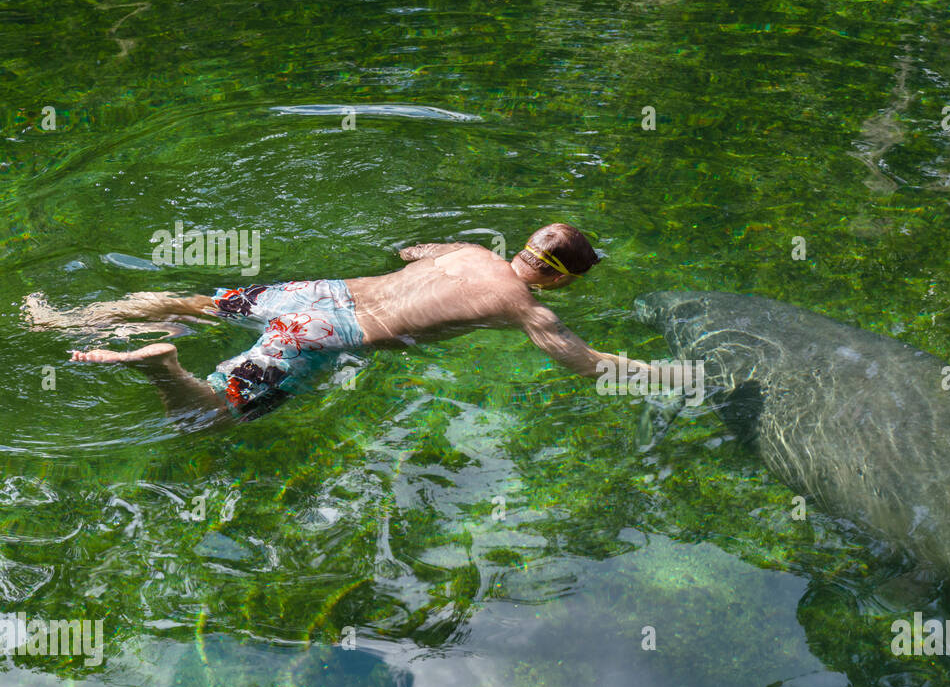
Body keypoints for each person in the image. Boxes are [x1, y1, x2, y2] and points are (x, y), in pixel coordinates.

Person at [24, 223, 679, 426]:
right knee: (215, 419)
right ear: (560, 277)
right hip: (328, 337)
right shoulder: (527, 308)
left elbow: (407, 252)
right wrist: (664, 374)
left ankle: (61, 319)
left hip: (311, 294)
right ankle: (164, 367)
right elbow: (588, 364)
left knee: (190, 301)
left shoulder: (470, 253)